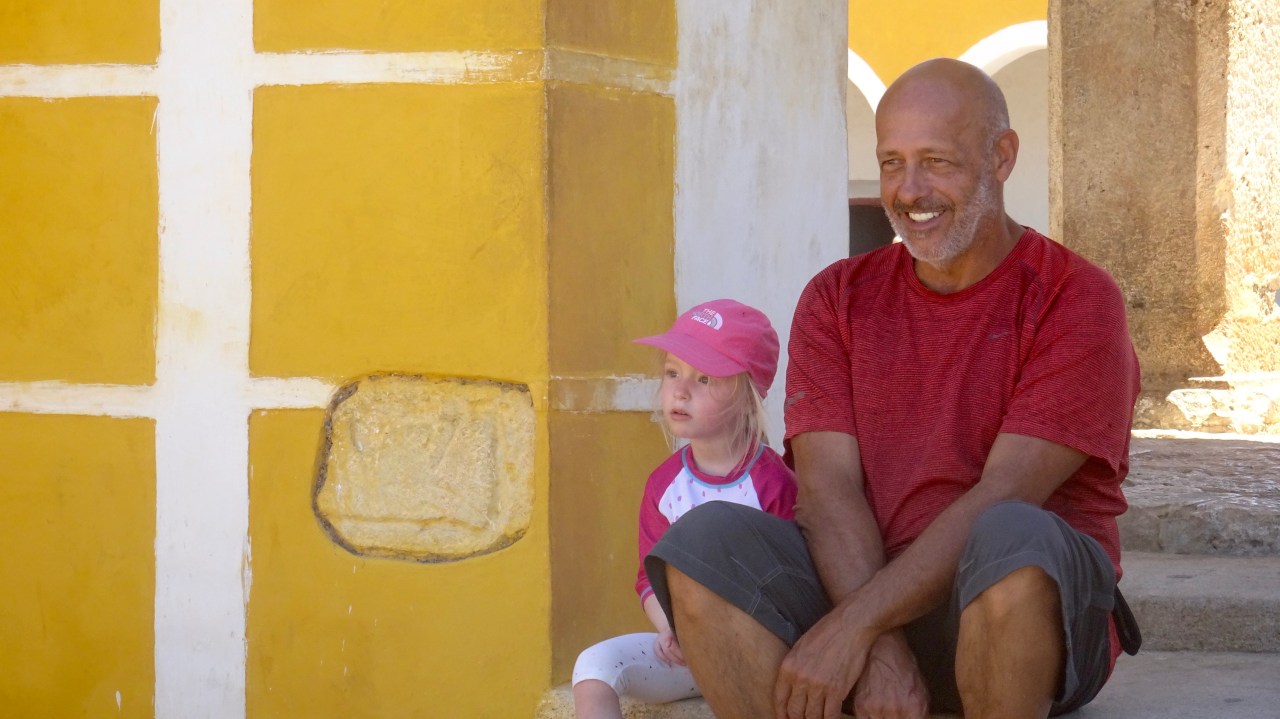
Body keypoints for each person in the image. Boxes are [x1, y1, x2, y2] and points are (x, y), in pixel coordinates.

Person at [643, 58, 1143, 719]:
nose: (910, 190)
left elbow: (1007, 490)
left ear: (1001, 156)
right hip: (858, 590)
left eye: (936, 161)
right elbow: (827, 489)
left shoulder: (1075, 297)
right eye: (891, 163)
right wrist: (878, 645)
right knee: (702, 543)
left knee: (1013, 533)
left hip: (1019, 617)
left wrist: (855, 628)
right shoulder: (837, 296)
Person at [571, 299, 799, 719]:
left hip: (759, 660)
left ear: (748, 394)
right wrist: (669, 628)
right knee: (593, 667)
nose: (680, 390)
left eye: (704, 378)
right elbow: (648, 576)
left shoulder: (777, 484)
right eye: (672, 372)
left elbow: (791, 593)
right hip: (684, 655)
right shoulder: (663, 485)